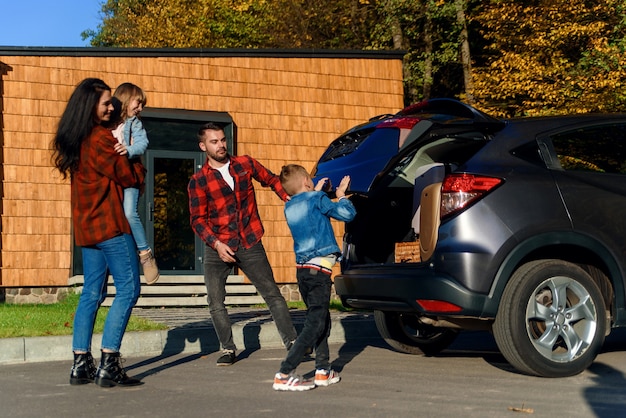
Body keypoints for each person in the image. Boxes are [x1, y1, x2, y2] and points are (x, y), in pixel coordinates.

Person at [52, 78, 144, 388]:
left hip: (87, 229)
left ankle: (81, 363)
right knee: (129, 289)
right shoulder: (100, 140)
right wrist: (136, 160)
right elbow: (128, 176)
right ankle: (109, 363)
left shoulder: (76, 140)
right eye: (106, 102)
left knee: (92, 292)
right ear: (90, 106)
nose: (111, 107)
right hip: (109, 226)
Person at [187, 122, 298, 366]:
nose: (221, 145)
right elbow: (197, 220)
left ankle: (292, 343)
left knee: (273, 294)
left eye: (222, 140)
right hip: (218, 247)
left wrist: (289, 198)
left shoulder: (244, 164)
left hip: (249, 240)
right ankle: (228, 349)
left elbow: (271, 179)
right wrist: (216, 244)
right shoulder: (199, 180)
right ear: (203, 146)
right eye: (214, 142)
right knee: (216, 302)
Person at [272, 165, 356, 391]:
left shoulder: (290, 206)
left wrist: (315, 190)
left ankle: (323, 370)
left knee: (321, 320)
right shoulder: (317, 198)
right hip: (319, 272)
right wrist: (341, 196)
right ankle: (284, 372)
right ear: (308, 183)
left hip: (303, 272)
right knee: (315, 323)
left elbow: (306, 203)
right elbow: (347, 214)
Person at [110, 82, 159, 285]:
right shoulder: (108, 121)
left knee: (130, 212)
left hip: (130, 173)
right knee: (113, 215)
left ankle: (145, 253)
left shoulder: (135, 123)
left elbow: (142, 143)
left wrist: (128, 149)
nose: (140, 109)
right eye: (138, 103)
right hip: (111, 175)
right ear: (126, 98)